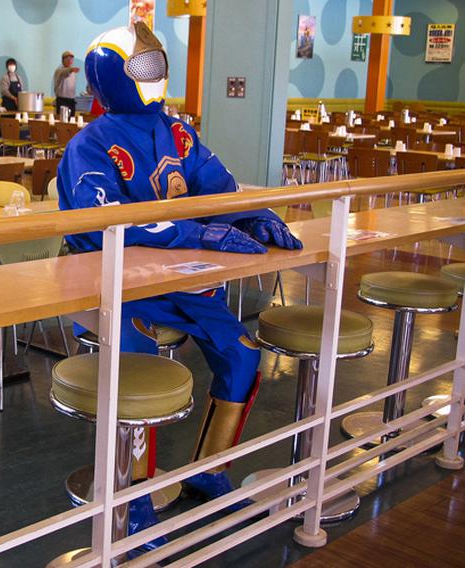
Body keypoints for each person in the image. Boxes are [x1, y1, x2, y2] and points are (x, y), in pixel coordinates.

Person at [57, 21, 302, 540]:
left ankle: (210, 469)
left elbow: (219, 186)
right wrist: (200, 233)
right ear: (110, 76)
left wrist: (252, 214)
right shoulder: (89, 145)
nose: (152, 76)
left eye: (156, 66)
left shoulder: (179, 133)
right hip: (111, 290)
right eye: (141, 67)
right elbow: (106, 222)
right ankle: (132, 498)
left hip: (180, 282)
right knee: (135, 374)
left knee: (241, 352)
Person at [53, 50, 79, 119]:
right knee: (62, 122)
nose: (69, 60)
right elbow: (64, 72)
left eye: (71, 59)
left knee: (72, 121)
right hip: (62, 100)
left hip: (71, 101)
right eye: (67, 58)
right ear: (63, 60)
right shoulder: (59, 71)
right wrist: (71, 69)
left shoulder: (73, 73)